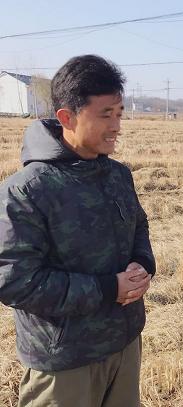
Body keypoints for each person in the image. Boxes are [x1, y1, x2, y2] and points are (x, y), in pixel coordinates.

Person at [0, 54, 155, 407]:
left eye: (119, 114)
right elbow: (15, 281)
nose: (117, 126)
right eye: (105, 115)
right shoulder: (26, 191)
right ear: (67, 117)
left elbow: (139, 226)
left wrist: (142, 263)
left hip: (125, 342)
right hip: (64, 361)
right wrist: (108, 288)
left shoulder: (118, 175)